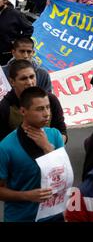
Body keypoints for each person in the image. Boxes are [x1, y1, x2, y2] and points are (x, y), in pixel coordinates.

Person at [0, 86, 65, 222]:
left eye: (48, 107)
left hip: (54, 215)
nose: (47, 113)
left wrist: (47, 147)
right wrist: (27, 196)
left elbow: (64, 175)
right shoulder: (5, 147)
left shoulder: (55, 135)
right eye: (40, 109)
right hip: (21, 217)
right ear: (23, 111)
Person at [0, 60, 67, 142]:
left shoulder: (51, 99)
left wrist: (52, 147)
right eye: (23, 79)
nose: (29, 82)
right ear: (12, 82)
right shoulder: (4, 107)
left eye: (32, 77)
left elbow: (62, 131)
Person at [0, 0, 33, 65]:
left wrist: (17, 42)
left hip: (8, 54)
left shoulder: (15, 14)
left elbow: (29, 29)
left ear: (5, 0)